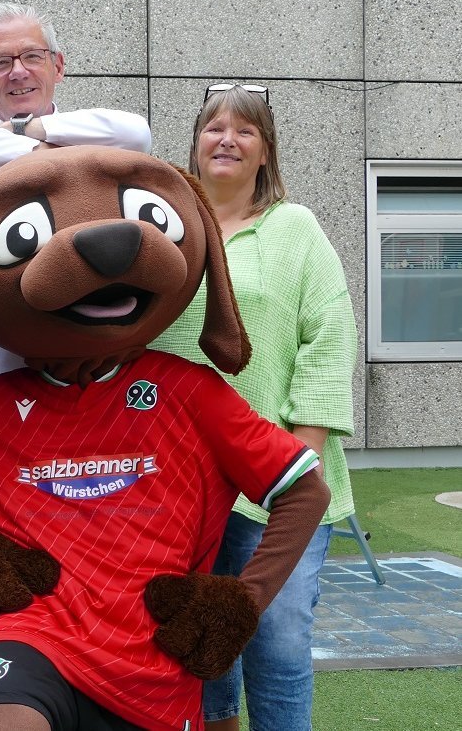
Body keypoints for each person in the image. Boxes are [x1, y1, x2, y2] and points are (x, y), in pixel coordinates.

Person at [0, 1, 152, 731]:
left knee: (89, 569)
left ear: (60, 67)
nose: (17, 72)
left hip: (87, 414)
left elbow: (139, 133)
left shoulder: (98, 135)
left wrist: (37, 136)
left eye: (31, 58)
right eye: (1, 63)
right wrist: (37, 146)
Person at [152, 83, 358, 731]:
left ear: (266, 150)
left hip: (278, 484)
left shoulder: (295, 229)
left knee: (278, 641)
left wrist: (300, 454)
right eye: (214, 127)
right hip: (182, 485)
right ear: (194, 142)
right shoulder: (169, 226)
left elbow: (330, 335)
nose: (227, 139)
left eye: (245, 130)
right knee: (201, 642)